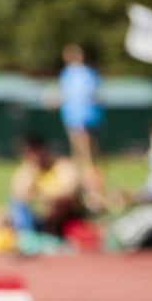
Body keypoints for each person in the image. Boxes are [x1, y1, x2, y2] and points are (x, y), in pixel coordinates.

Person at [8, 136, 82, 237]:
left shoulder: (62, 166)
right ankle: (26, 235)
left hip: (62, 216)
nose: (33, 157)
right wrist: (32, 175)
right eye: (28, 154)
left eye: (35, 152)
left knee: (57, 204)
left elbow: (70, 192)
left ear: (44, 150)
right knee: (1, 216)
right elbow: (21, 197)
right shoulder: (26, 172)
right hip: (37, 217)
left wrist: (44, 196)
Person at [59, 44, 103, 207]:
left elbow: (90, 96)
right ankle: (79, 193)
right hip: (72, 118)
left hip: (84, 118)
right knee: (78, 157)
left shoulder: (86, 74)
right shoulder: (67, 74)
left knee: (88, 157)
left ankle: (94, 195)